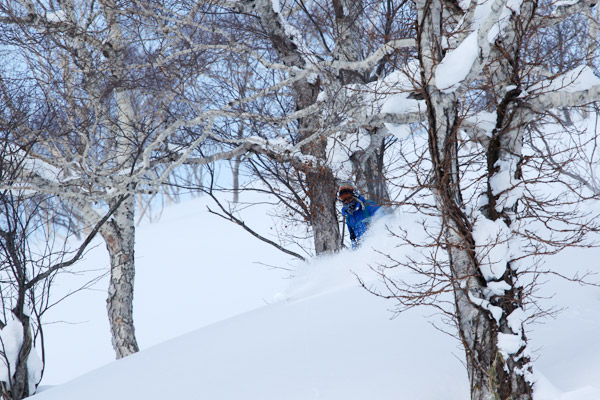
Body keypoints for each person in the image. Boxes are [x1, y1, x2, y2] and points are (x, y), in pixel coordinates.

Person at [338, 182, 381, 248]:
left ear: (354, 194)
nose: (346, 201)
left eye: (347, 196)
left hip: (378, 245)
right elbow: (353, 241)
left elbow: (386, 221)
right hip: (365, 250)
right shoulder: (349, 218)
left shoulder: (369, 207)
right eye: (343, 198)